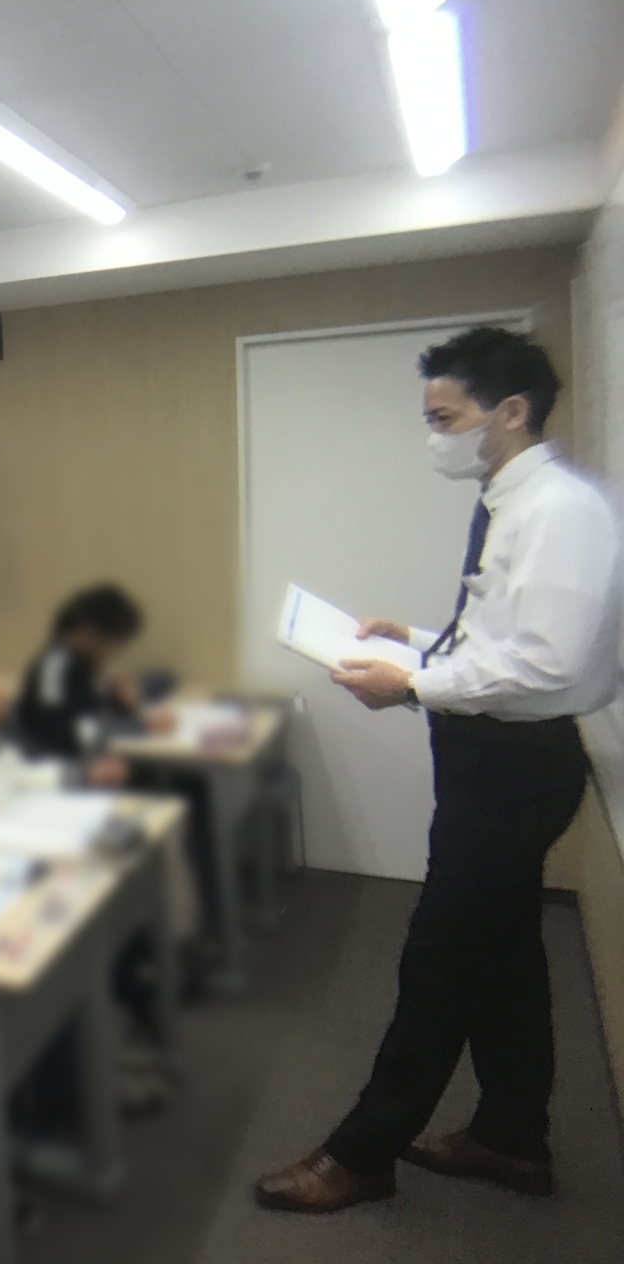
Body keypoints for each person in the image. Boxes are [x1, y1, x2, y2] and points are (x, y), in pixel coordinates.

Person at [257, 326, 620, 1212]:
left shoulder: (559, 512)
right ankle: (510, 1136)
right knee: (504, 957)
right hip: (492, 758)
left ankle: (362, 1154)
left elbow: (550, 666)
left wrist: (413, 684)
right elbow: (503, 641)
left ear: (511, 411)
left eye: (444, 418)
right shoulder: (511, 501)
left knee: (438, 963)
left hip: (514, 768)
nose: (433, 436)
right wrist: (415, 643)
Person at [15, 584, 151, 761]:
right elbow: (60, 732)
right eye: (115, 642)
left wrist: (124, 705)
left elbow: (95, 714)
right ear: (88, 630)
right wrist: (138, 726)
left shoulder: (83, 666)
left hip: (78, 761)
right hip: (52, 765)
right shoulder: (54, 666)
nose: (116, 652)